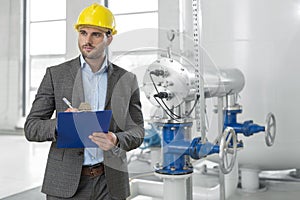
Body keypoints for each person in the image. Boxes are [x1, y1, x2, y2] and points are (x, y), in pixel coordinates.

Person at [24, 3, 144, 200]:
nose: (87, 40)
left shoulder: (127, 79)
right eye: (83, 32)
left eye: (96, 34)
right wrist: (62, 123)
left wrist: (116, 139)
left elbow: (138, 130)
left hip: (110, 183)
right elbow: (31, 127)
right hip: (65, 182)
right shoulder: (56, 75)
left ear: (109, 37)